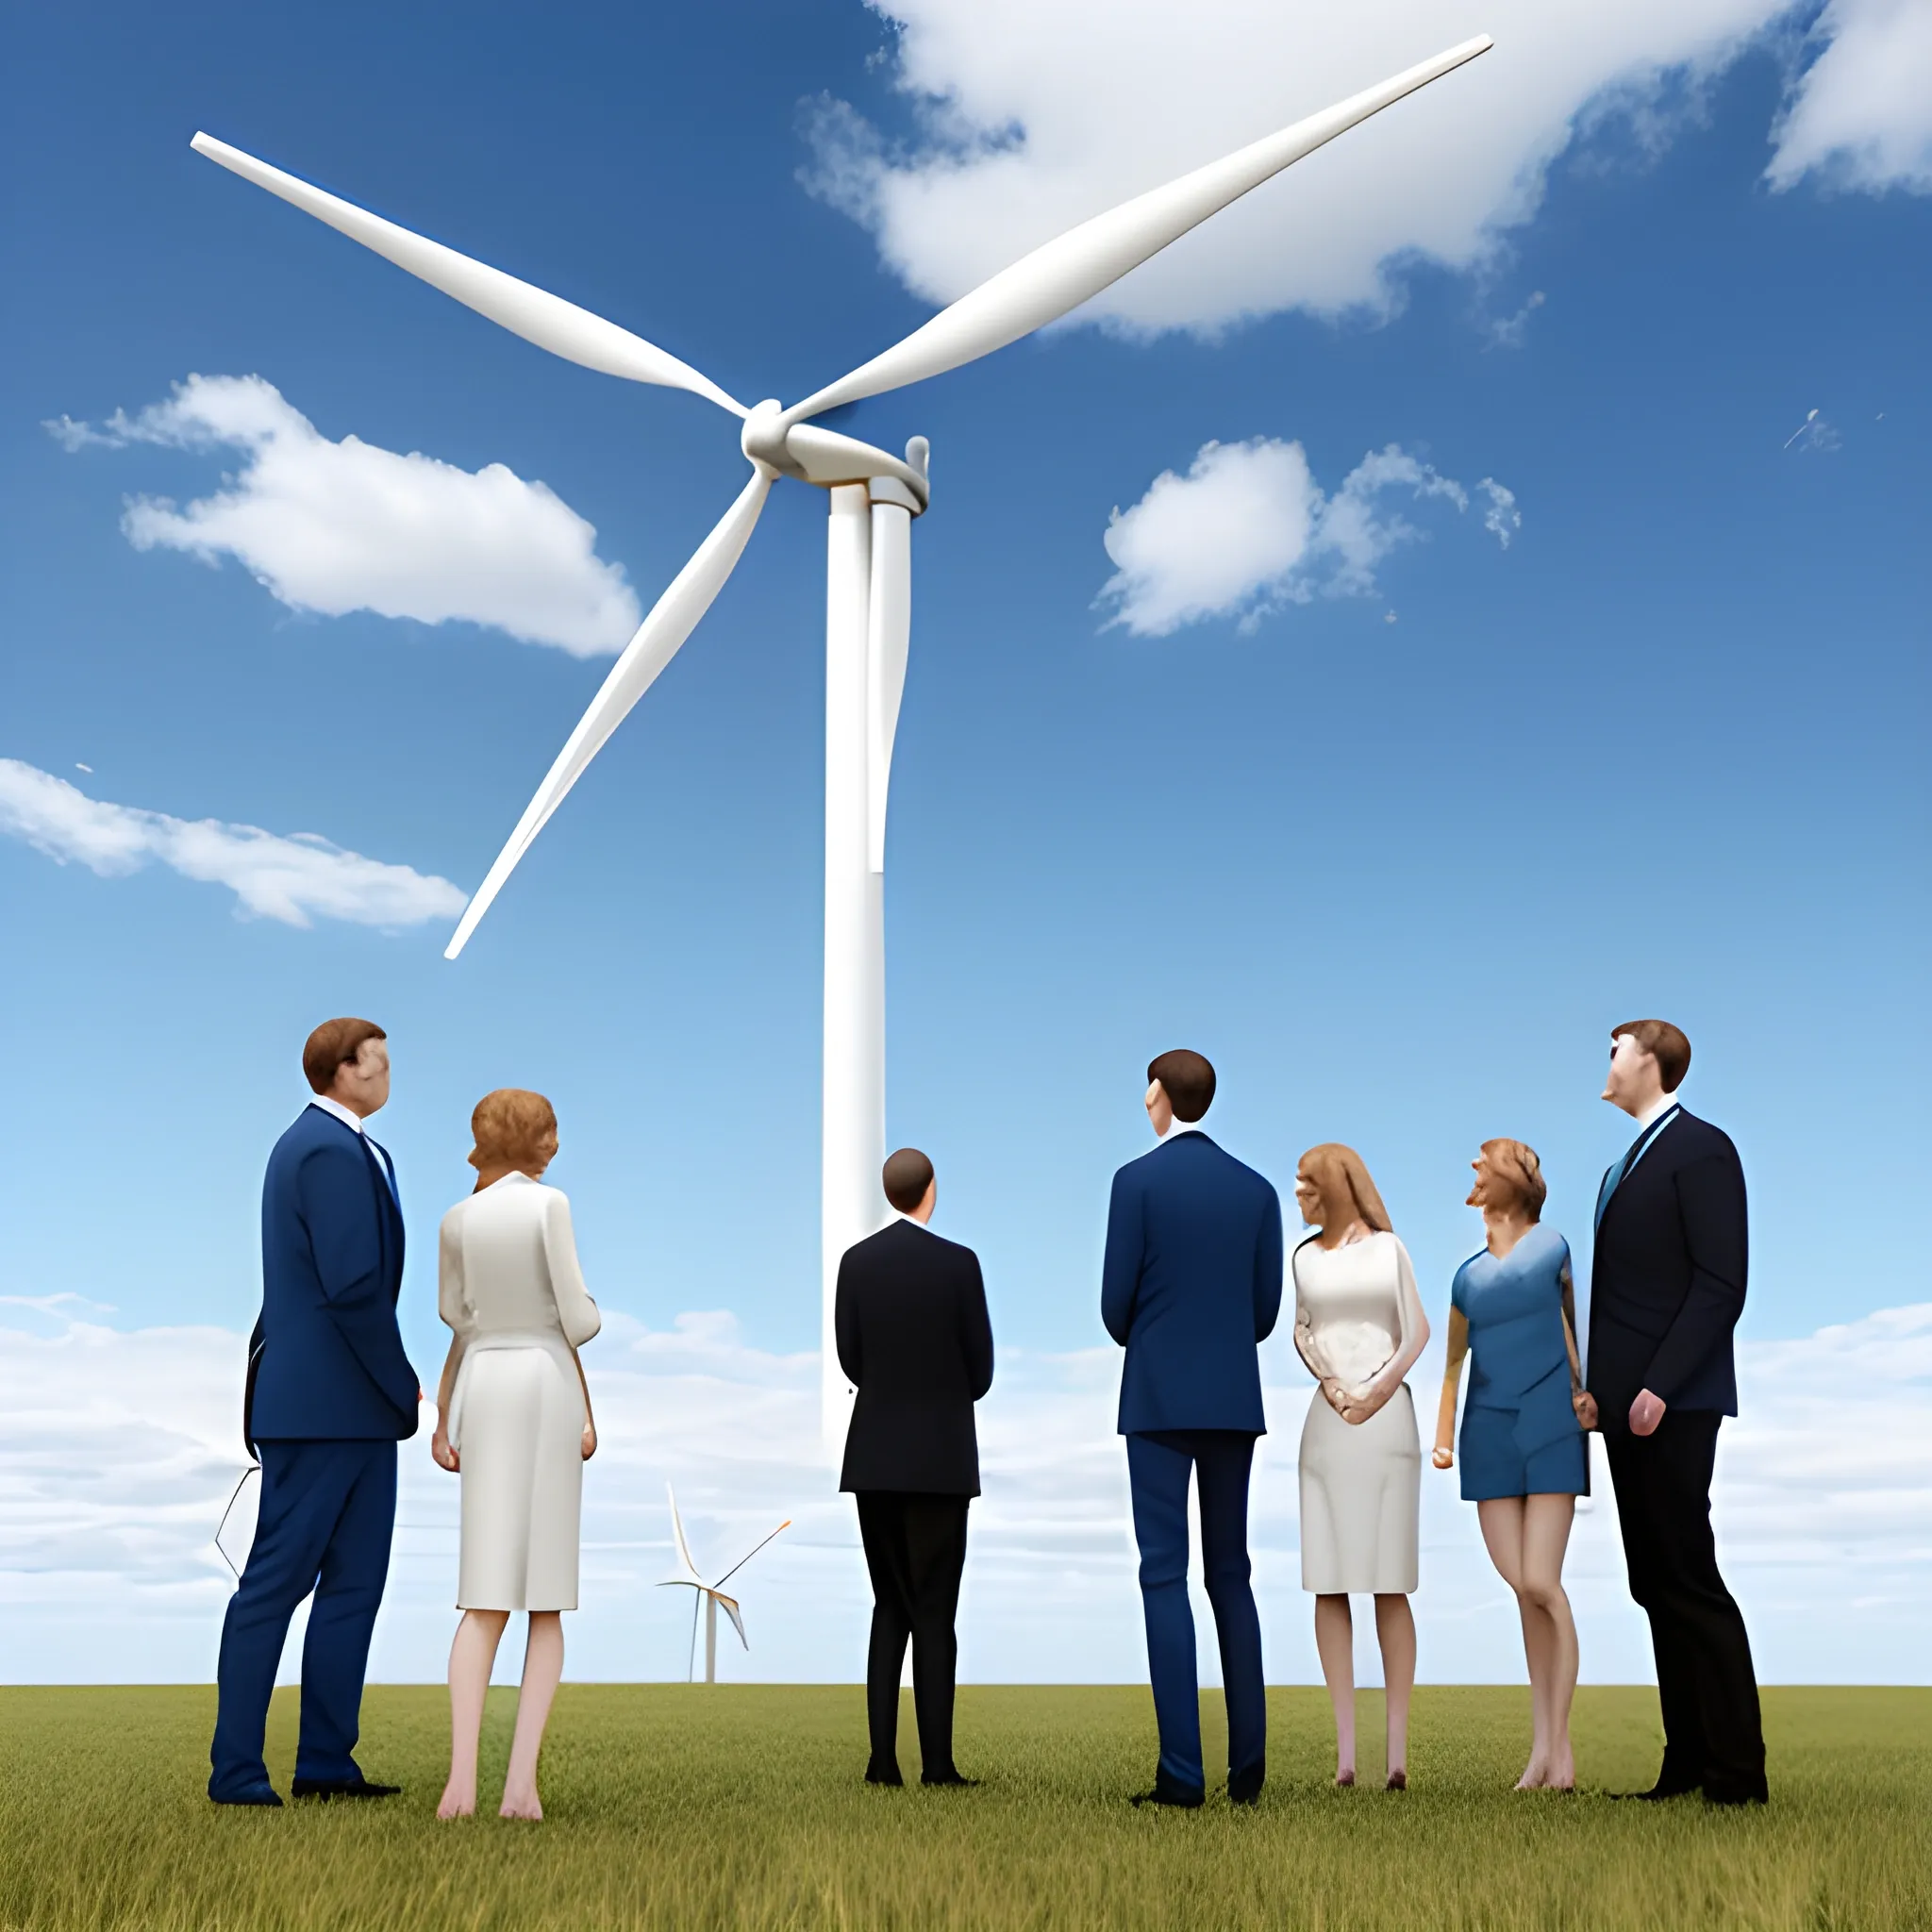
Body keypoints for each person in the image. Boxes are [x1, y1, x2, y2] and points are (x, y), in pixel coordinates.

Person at [208, 1018, 419, 1807]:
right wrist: (402, 1384)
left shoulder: (349, 1147)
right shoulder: (326, 1151)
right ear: (342, 1071)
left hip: (347, 1407)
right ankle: (236, 1771)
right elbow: (353, 1285)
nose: (389, 1073)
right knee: (275, 1584)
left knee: (354, 1587)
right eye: (379, 1063)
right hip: (328, 1405)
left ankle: (327, 1762)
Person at [1588, 1020, 1766, 1805]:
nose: (1609, 1060)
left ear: (1652, 1062)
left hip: (1675, 1402)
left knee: (1689, 1577)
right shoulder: (1619, 1168)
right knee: (1654, 1581)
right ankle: (1687, 1761)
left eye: (1616, 1048)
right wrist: (1607, 1392)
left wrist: (1661, 1382)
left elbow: (1720, 1281)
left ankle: (1737, 1773)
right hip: (1625, 1411)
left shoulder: (1702, 1149)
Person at [1101, 1050, 1283, 1809]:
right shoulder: (1257, 1192)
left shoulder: (1134, 1183)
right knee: (1231, 1575)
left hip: (1158, 1402)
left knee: (1163, 1575)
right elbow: (1265, 1313)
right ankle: (1248, 1772)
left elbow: (1115, 1310)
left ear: (1159, 1097)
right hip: (1232, 1401)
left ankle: (1182, 1773)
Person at [429, 1089, 601, 1822]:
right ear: (535, 1139)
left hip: (482, 1386)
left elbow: (454, 1321)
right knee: (546, 1598)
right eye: (551, 1130)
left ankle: (458, 1787)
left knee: (483, 1593)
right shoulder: (549, 1207)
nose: (556, 1143)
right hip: (542, 1383)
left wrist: (445, 1416)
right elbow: (577, 1319)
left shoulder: (457, 1220)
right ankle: (518, 1789)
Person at [1431, 1140, 1595, 1790]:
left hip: (1552, 1423)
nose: (1473, 1172)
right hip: (1488, 1432)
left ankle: (1559, 1748)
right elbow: (1451, 1364)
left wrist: (1588, 1394)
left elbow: (1571, 1328)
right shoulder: (1466, 1276)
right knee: (1520, 1588)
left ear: (1513, 1181)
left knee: (1541, 1583)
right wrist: (1442, 1435)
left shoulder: (1552, 1248)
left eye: (1484, 1164)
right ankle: (1541, 1747)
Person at [836, 1146, 993, 1788]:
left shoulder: (856, 1263)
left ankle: (881, 1761)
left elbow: (851, 1359)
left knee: (887, 1606)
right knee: (935, 1612)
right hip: (940, 1459)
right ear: (930, 1191)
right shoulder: (959, 1264)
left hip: (873, 1455)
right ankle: (938, 1764)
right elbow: (980, 1369)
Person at [1291, 1143, 1429, 1790]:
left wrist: (1374, 1391)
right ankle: (1346, 1755)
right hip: (1328, 1425)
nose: (1299, 1197)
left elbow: (1418, 1332)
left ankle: (1396, 1752)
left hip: (1385, 1422)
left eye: (1306, 1185)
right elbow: (1303, 1332)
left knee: (1389, 1580)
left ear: (1336, 1185)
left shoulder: (1389, 1251)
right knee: (1330, 1580)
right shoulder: (1301, 1259)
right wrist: (1334, 1385)